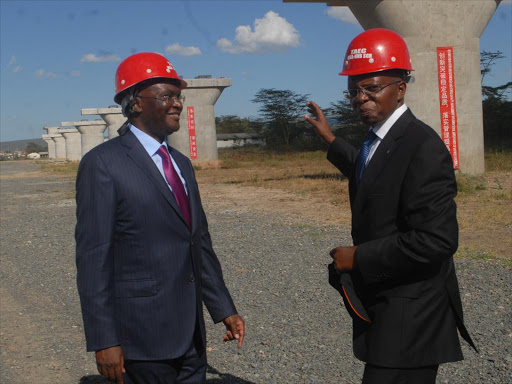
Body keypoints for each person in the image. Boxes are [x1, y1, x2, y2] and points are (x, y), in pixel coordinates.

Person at [305, 29, 477, 384]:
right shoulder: (379, 139)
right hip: (389, 299)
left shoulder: (421, 145)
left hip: (414, 310)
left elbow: (437, 240)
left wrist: (358, 257)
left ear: (400, 87)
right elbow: (372, 175)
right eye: (354, 91)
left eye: (372, 87)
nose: (361, 98)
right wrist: (331, 140)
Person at [75, 52, 245, 384]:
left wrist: (223, 307)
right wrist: (104, 339)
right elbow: (93, 258)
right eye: (167, 95)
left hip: (191, 336)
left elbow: (198, 243)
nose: (177, 103)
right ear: (135, 102)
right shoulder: (103, 164)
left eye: (178, 96)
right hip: (142, 339)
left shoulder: (180, 163)